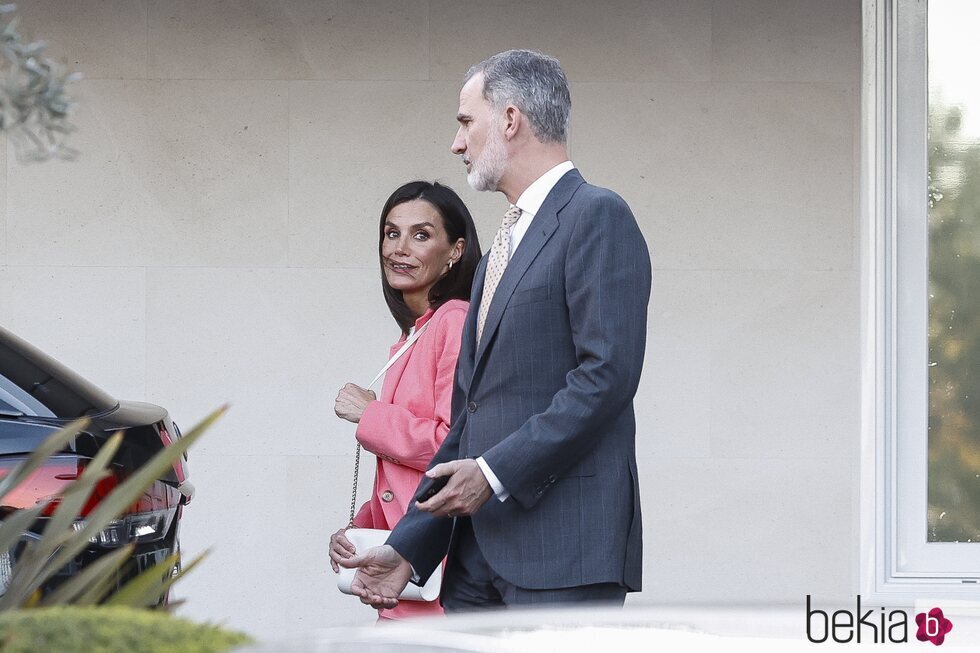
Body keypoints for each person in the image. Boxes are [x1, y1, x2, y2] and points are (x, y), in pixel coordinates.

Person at [338, 50, 652, 611]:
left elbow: (607, 377)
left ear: (510, 119)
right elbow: (469, 418)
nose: (457, 143)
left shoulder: (597, 215)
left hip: (563, 555)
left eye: (465, 122)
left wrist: (494, 473)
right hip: (473, 562)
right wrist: (409, 547)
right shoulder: (496, 254)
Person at [330, 180, 481, 620]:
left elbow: (453, 447)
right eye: (391, 233)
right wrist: (360, 527)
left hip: (437, 573)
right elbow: (400, 480)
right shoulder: (414, 335)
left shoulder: (454, 320)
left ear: (455, 250)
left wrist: (370, 415)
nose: (399, 248)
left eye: (421, 235)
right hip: (401, 573)